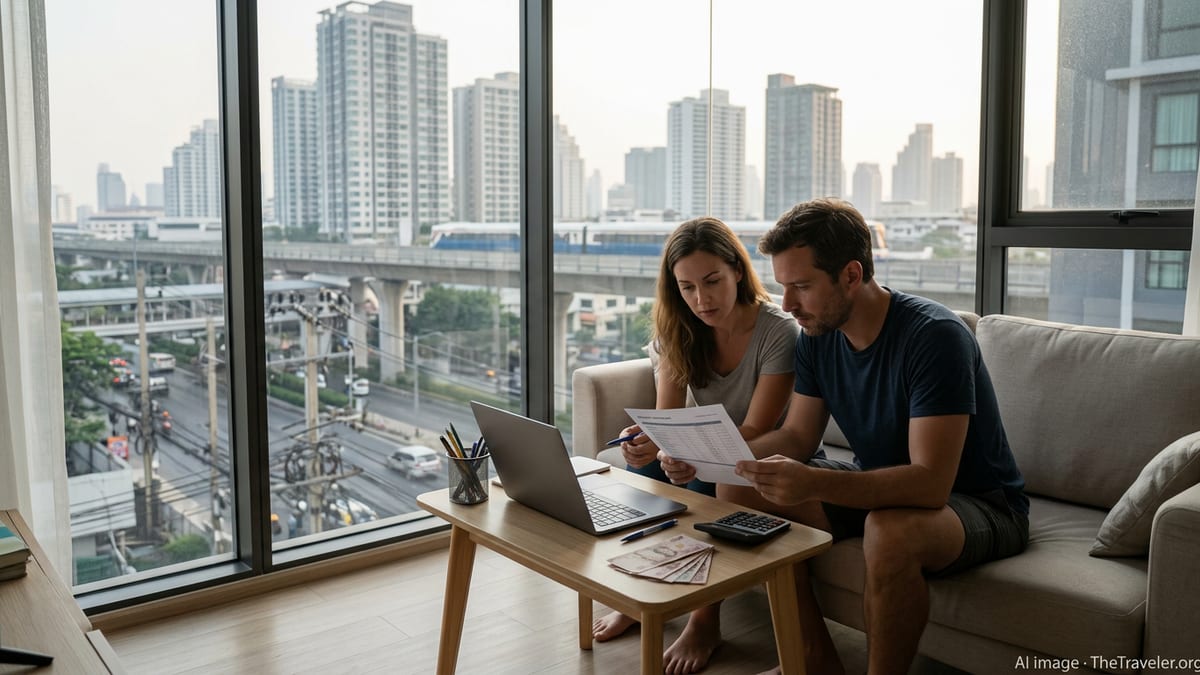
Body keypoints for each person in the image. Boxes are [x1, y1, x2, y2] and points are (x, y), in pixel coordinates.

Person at [660, 198, 1029, 675]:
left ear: (851, 275)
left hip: (979, 503)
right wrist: (710, 458)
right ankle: (812, 659)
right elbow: (795, 437)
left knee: (889, 531)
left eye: (801, 287)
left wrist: (812, 483)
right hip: (877, 484)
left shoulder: (934, 337)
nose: (788, 305)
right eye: (783, 287)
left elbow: (930, 484)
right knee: (739, 486)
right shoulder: (817, 336)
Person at [593, 216, 799, 673]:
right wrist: (649, 444)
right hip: (703, 446)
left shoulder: (778, 332)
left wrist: (686, 452)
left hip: (760, 452)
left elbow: (755, 429)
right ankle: (642, 592)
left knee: (709, 489)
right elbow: (666, 416)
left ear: (738, 272)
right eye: (687, 288)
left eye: (712, 282)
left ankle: (705, 620)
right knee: (638, 474)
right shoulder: (678, 330)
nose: (701, 300)